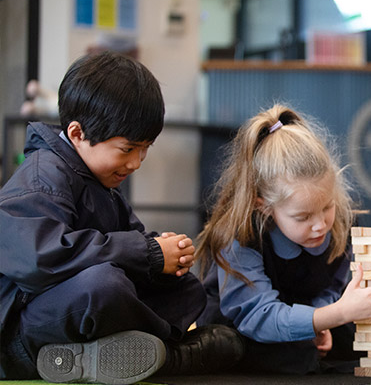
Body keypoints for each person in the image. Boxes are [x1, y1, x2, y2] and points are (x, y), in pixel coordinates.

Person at [0, 51, 244, 383]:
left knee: (186, 287)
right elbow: (39, 260)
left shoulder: (101, 181)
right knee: (102, 287)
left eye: (145, 149)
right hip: (20, 337)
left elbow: (132, 243)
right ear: (77, 134)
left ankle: (99, 356)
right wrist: (147, 252)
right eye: (127, 149)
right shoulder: (43, 176)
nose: (136, 162)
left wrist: (165, 255)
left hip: (69, 323)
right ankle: (171, 356)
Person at [195, 104, 371, 374]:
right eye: (302, 218)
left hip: (310, 312)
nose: (320, 225)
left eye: (327, 207)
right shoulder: (242, 234)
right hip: (247, 322)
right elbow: (257, 314)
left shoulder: (339, 222)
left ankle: (313, 352)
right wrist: (329, 317)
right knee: (290, 354)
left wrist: (321, 322)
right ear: (264, 206)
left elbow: (333, 288)